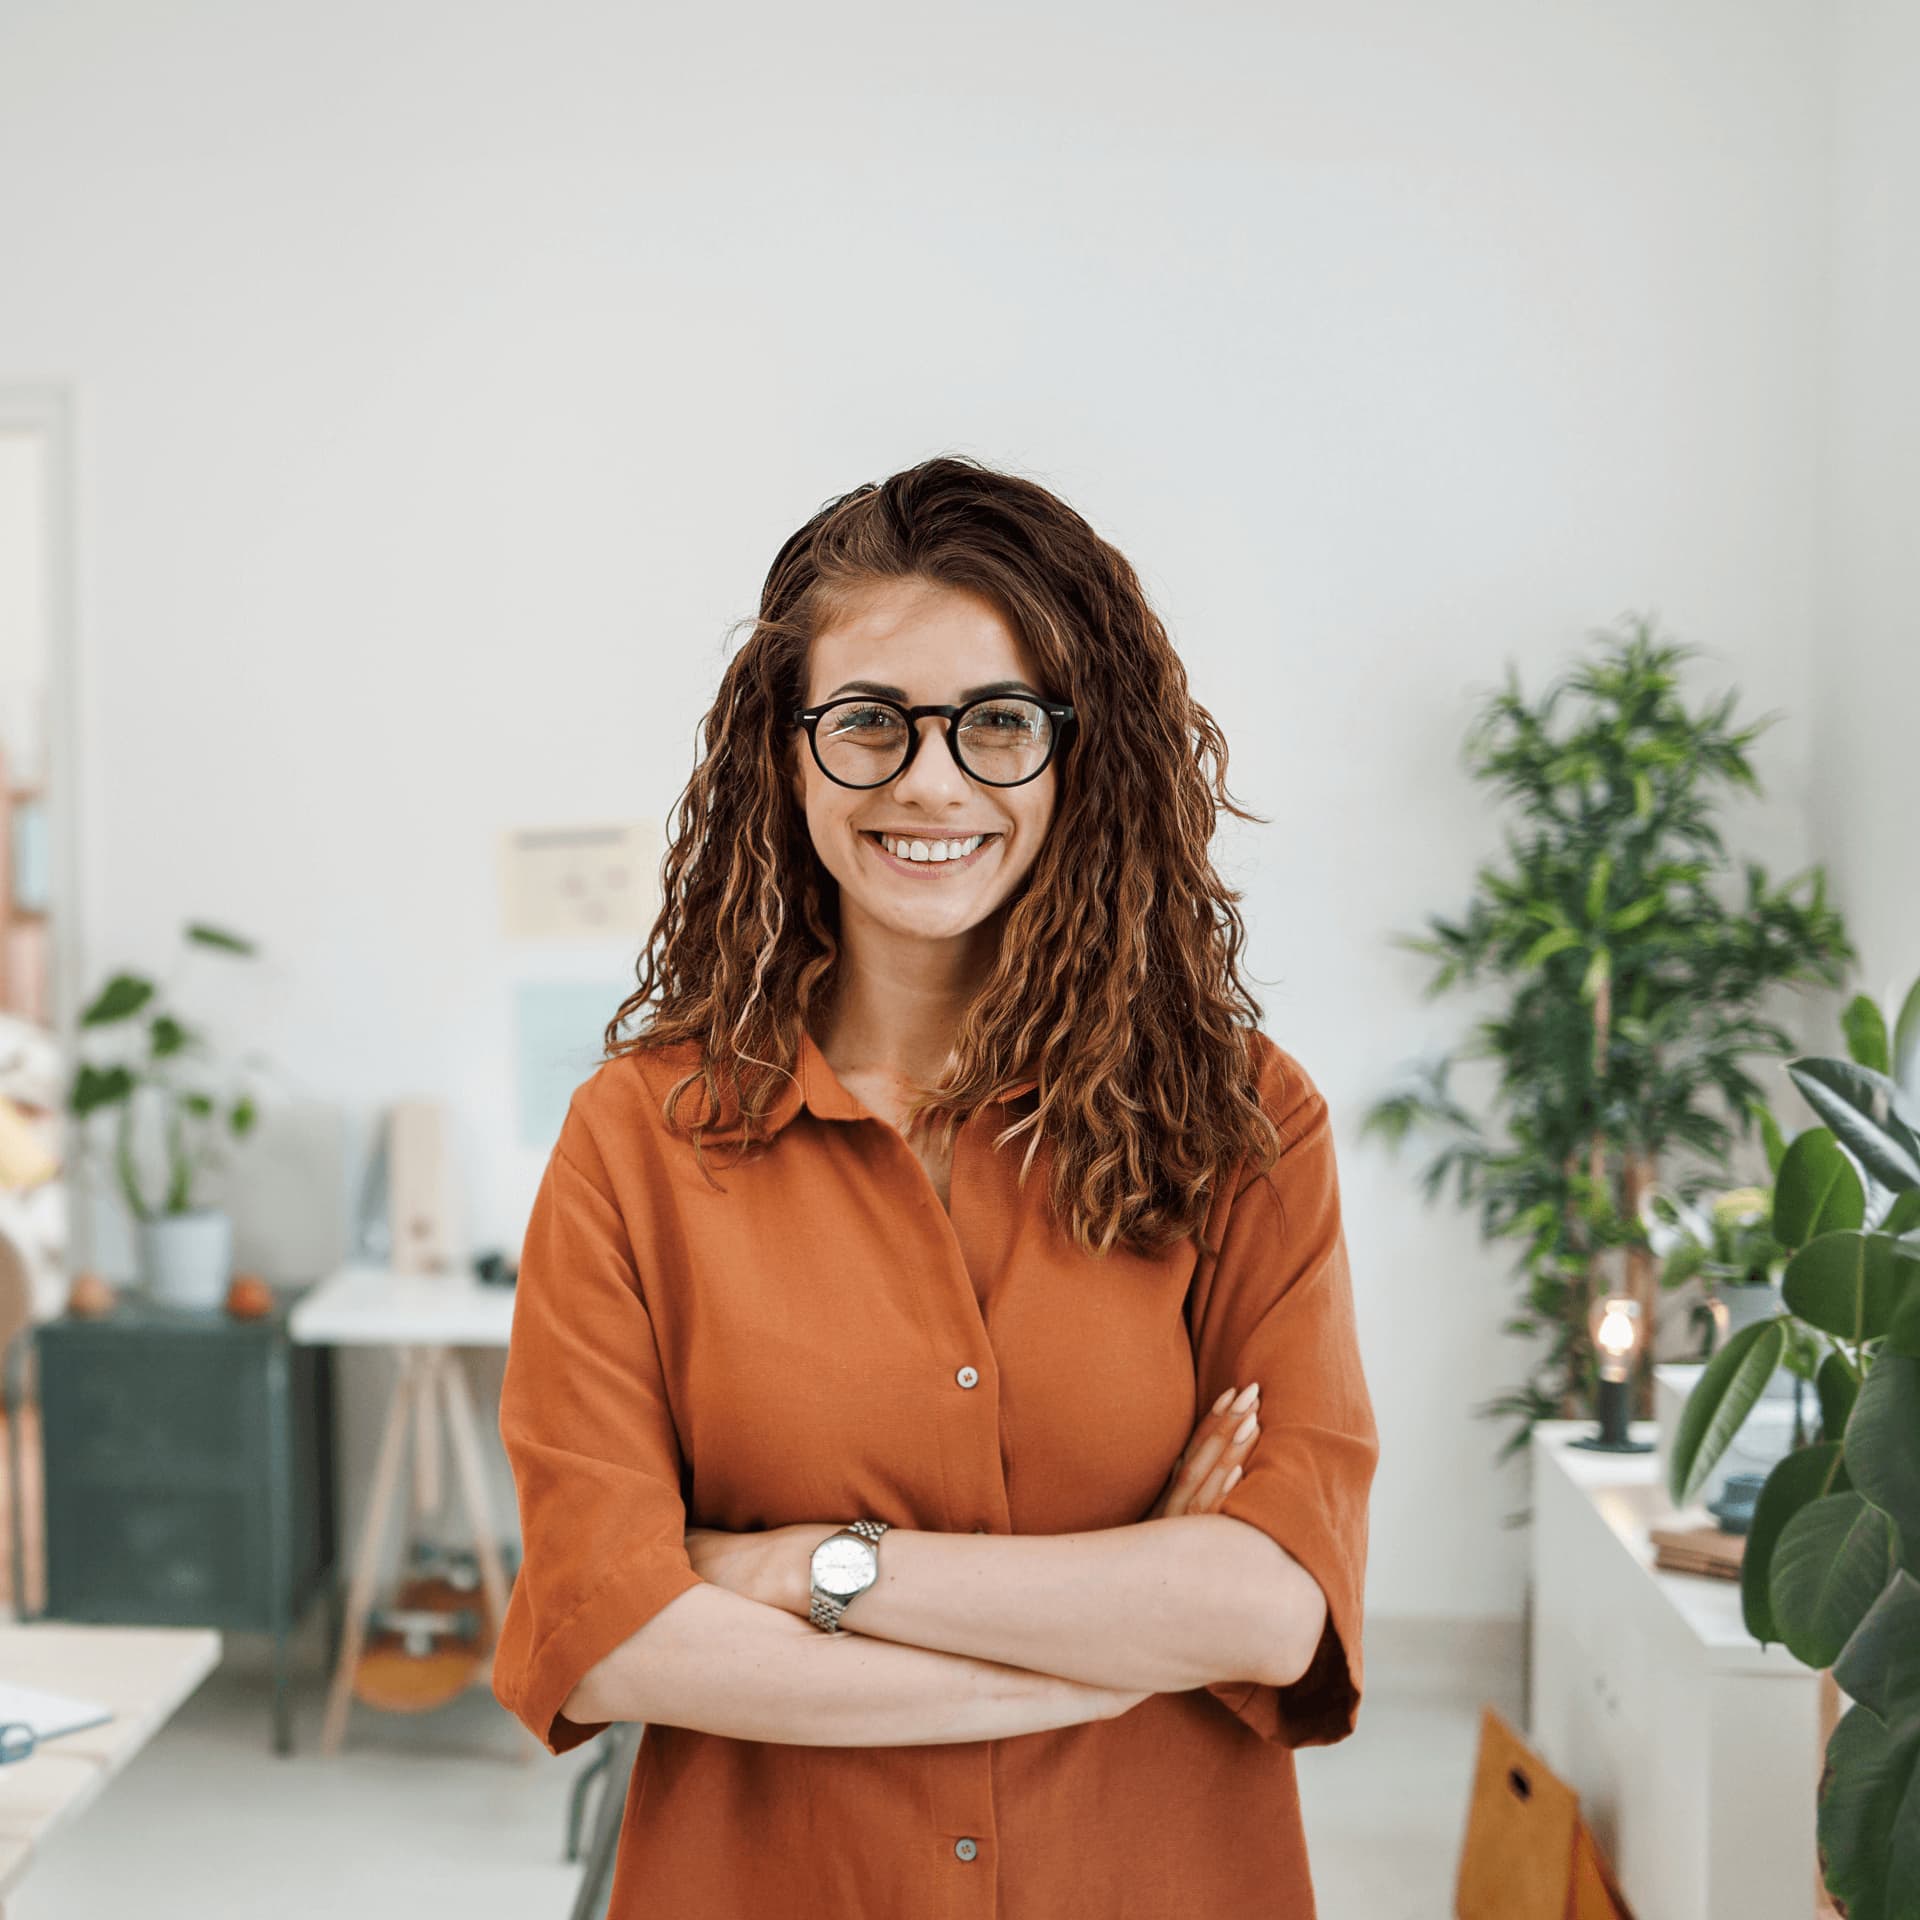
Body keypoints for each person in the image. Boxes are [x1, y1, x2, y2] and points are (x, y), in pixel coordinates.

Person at [490, 453, 1379, 1918]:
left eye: (998, 724)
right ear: (784, 752)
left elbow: (1270, 1610)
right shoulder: (639, 1137)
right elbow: (616, 1638)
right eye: (870, 723)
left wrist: (800, 1570)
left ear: (1080, 754)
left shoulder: (1242, 1122)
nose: (931, 780)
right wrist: (1117, 1632)